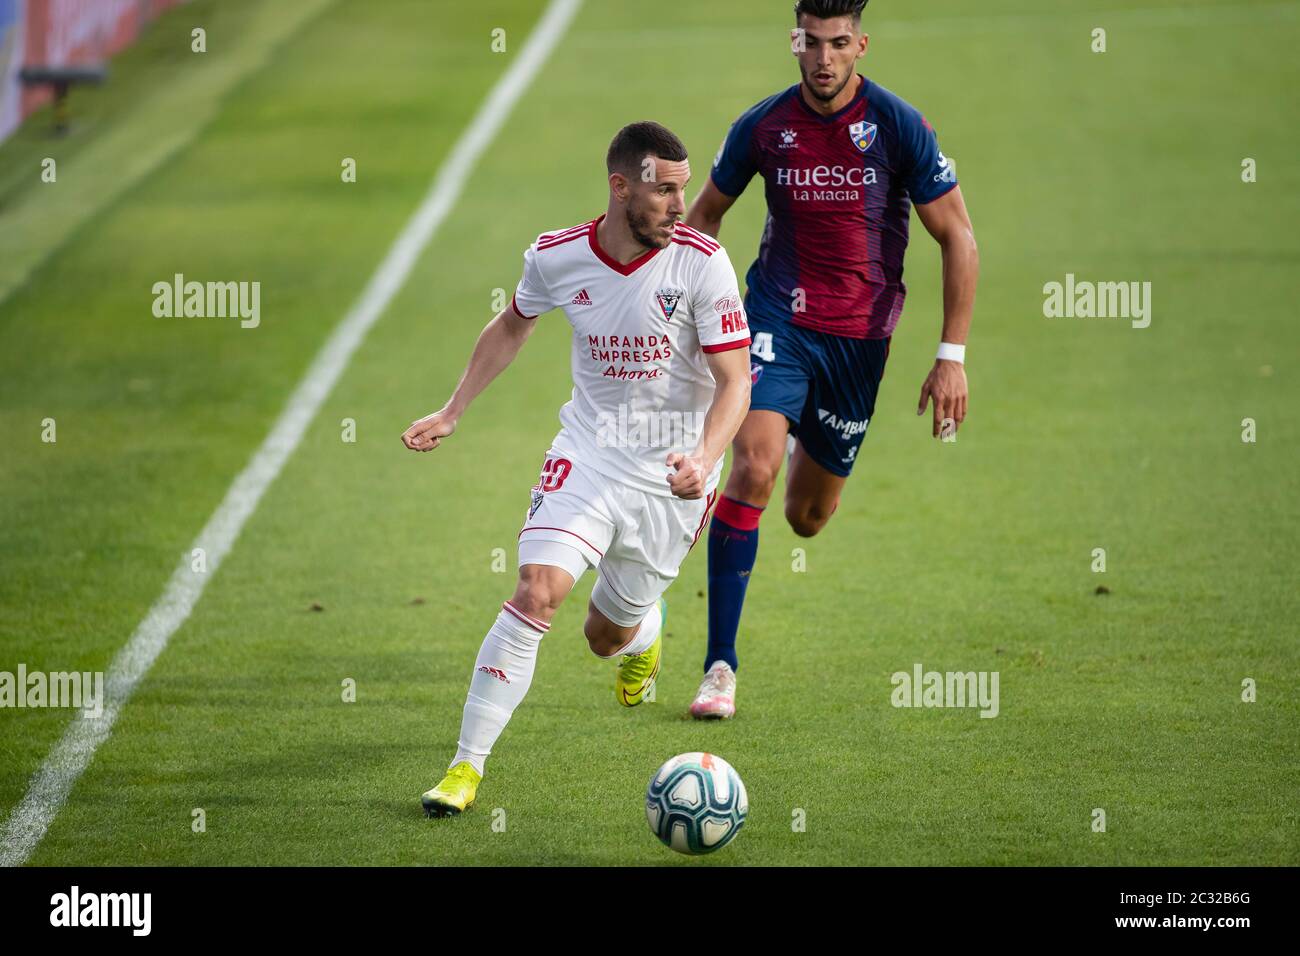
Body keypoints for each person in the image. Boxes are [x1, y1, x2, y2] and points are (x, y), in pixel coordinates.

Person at [402, 121, 753, 816]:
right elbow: (513, 324)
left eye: (684, 189)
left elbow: (735, 381)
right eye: (664, 190)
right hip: (588, 454)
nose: (680, 205)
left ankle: (644, 632)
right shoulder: (557, 257)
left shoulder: (702, 263)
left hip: (672, 476)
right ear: (621, 187)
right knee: (535, 592)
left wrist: (705, 459)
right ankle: (464, 771)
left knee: (605, 637)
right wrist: (453, 410)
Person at [683, 0, 979, 719]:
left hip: (860, 341)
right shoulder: (763, 126)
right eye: (811, 43)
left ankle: (785, 435)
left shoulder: (901, 126)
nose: (823, 58)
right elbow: (703, 217)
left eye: (838, 44)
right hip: (777, 321)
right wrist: (686, 316)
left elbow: (959, 237)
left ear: (860, 45)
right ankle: (720, 665)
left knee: (808, 517)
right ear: (795, 42)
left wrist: (951, 356)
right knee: (750, 466)